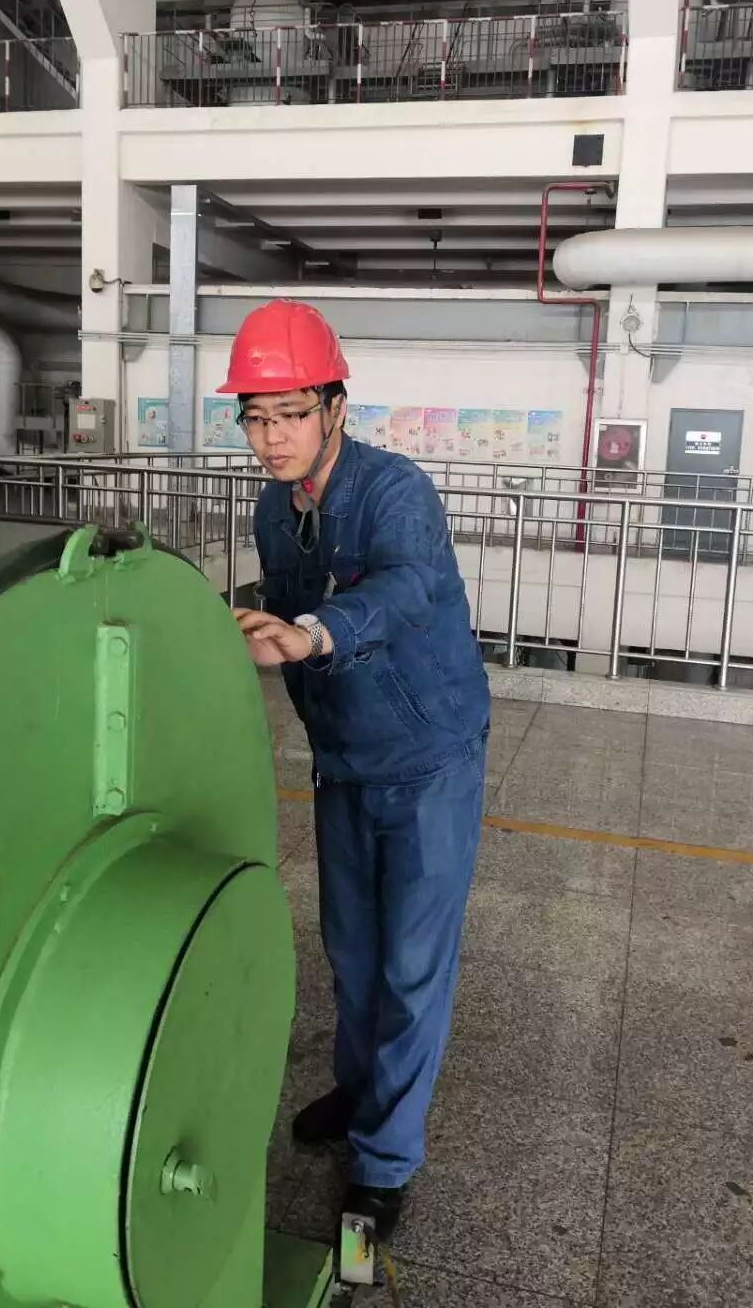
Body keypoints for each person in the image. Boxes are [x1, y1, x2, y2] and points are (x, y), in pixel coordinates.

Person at [226, 299, 490, 1241]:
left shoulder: (394, 490)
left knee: (413, 966)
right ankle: (359, 1089)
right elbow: (284, 603)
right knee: (351, 951)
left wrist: (312, 633)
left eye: (291, 413)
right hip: (343, 758)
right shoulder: (273, 506)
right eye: (255, 417)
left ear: (337, 407)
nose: (272, 437)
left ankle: (384, 1162)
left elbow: (406, 588)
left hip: (427, 759)